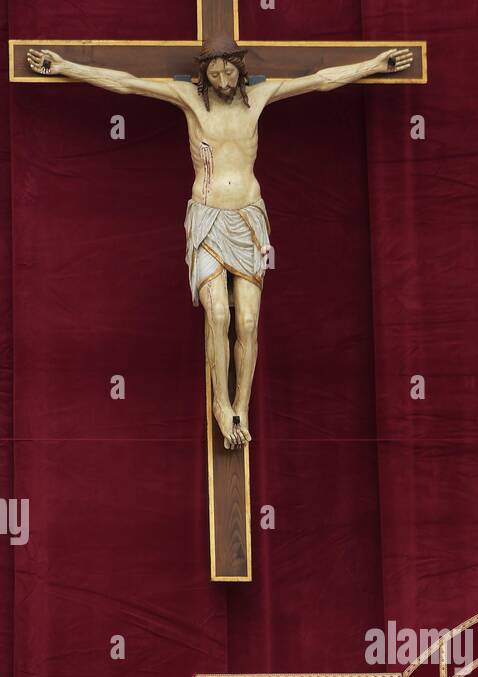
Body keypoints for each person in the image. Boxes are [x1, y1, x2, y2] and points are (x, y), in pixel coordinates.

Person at [26, 36, 412, 449]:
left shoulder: (260, 96)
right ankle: (221, 403)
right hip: (208, 219)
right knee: (218, 317)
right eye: (215, 72)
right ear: (203, 75)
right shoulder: (189, 100)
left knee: (246, 321)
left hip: (248, 219)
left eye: (229, 70)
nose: (224, 78)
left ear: (240, 69)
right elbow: (126, 82)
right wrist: (65, 65)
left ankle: (241, 407)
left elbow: (320, 80)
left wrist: (373, 64)